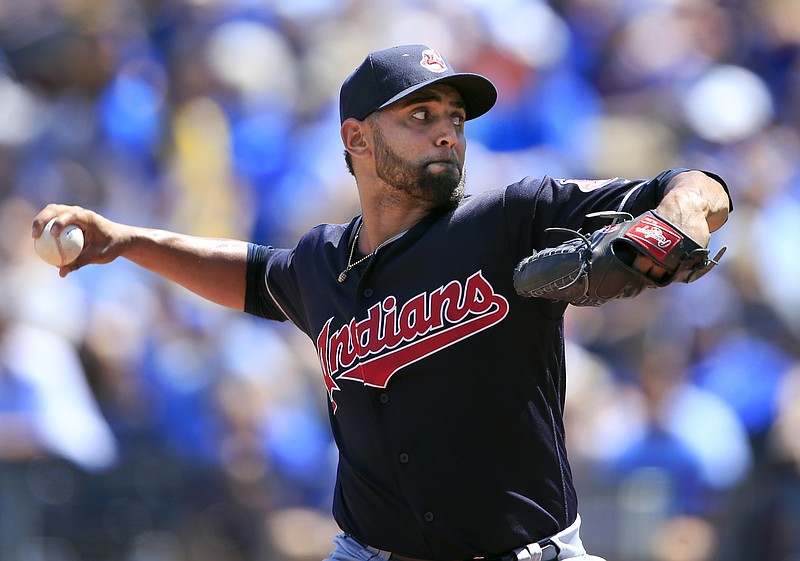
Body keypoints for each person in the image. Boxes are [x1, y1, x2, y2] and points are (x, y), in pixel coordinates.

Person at [32, 44, 731, 561]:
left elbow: (694, 183)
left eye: (455, 116)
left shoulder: (511, 218)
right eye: (420, 115)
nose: (447, 131)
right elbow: (251, 274)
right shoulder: (320, 262)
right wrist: (125, 240)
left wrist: (679, 218)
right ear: (355, 138)